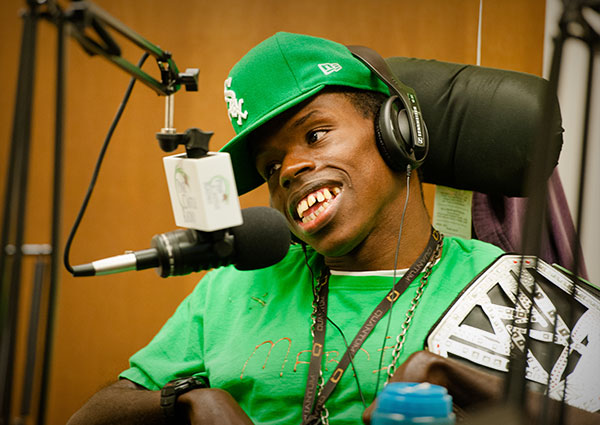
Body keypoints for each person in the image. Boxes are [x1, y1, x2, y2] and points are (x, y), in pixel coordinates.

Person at [67, 32, 597, 425]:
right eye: (271, 167)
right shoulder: (233, 286)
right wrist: (189, 401)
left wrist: (452, 377)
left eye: (316, 135)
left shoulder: (518, 289)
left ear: (396, 131)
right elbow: (90, 417)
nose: (291, 170)